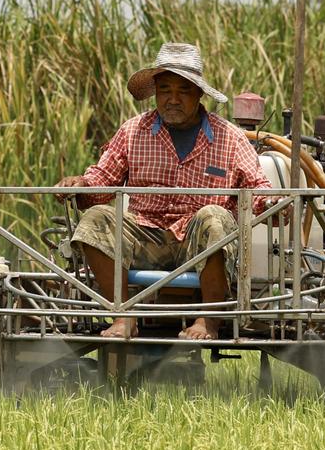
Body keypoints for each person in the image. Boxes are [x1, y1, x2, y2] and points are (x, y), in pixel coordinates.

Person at [57, 42, 272, 341]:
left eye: (183, 90)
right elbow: (100, 182)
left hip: (201, 242)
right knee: (95, 218)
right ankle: (123, 317)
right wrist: (78, 184)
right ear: (155, 92)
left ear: (199, 94)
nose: (173, 99)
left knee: (215, 215)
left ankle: (208, 322)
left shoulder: (229, 137)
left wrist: (274, 203)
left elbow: (258, 189)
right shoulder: (134, 130)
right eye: (165, 90)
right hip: (146, 236)